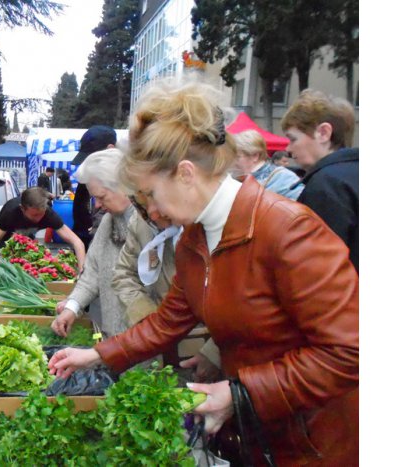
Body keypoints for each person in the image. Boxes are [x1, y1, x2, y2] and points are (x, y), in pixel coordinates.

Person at [48, 80, 358, 466]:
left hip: (316, 444)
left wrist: (242, 393)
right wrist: (95, 354)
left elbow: (350, 351)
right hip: (257, 435)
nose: (154, 212)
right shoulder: (194, 240)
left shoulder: (288, 229)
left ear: (186, 174)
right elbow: (168, 321)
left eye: (152, 195)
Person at [111, 192, 221, 383]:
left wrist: (214, 354)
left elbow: (242, 303)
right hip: (163, 347)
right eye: (143, 207)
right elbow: (124, 273)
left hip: (212, 349)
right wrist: (149, 320)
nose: (152, 214)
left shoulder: (210, 221)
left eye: (156, 201)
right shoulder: (140, 222)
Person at [51, 148, 135, 337]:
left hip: (143, 346)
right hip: (112, 341)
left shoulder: (148, 224)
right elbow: (92, 272)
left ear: (124, 186)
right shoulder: (107, 222)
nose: (96, 204)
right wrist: (72, 307)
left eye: (101, 197)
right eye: (94, 197)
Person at [282, 89, 358, 271]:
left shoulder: (326, 184)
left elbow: (320, 268)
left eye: (293, 139)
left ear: (323, 133)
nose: (288, 149)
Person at [0, 187, 86, 271]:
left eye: (41, 214)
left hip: (28, 250)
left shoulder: (48, 214)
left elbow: (77, 242)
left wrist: (82, 270)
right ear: (22, 209)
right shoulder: (10, 212)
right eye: (34, 215)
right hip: (5, 249)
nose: (38, 218)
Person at [71, 125, 117, 250]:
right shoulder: (88, 174)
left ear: (110, 149)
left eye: (92, 158)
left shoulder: (130, 181)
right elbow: (79, 210)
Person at [232, 130, 304, 200]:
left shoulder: (283, 178)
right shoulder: (237, 181)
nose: (233, 162)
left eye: (237, 157)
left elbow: (302, 209)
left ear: (255, 156)